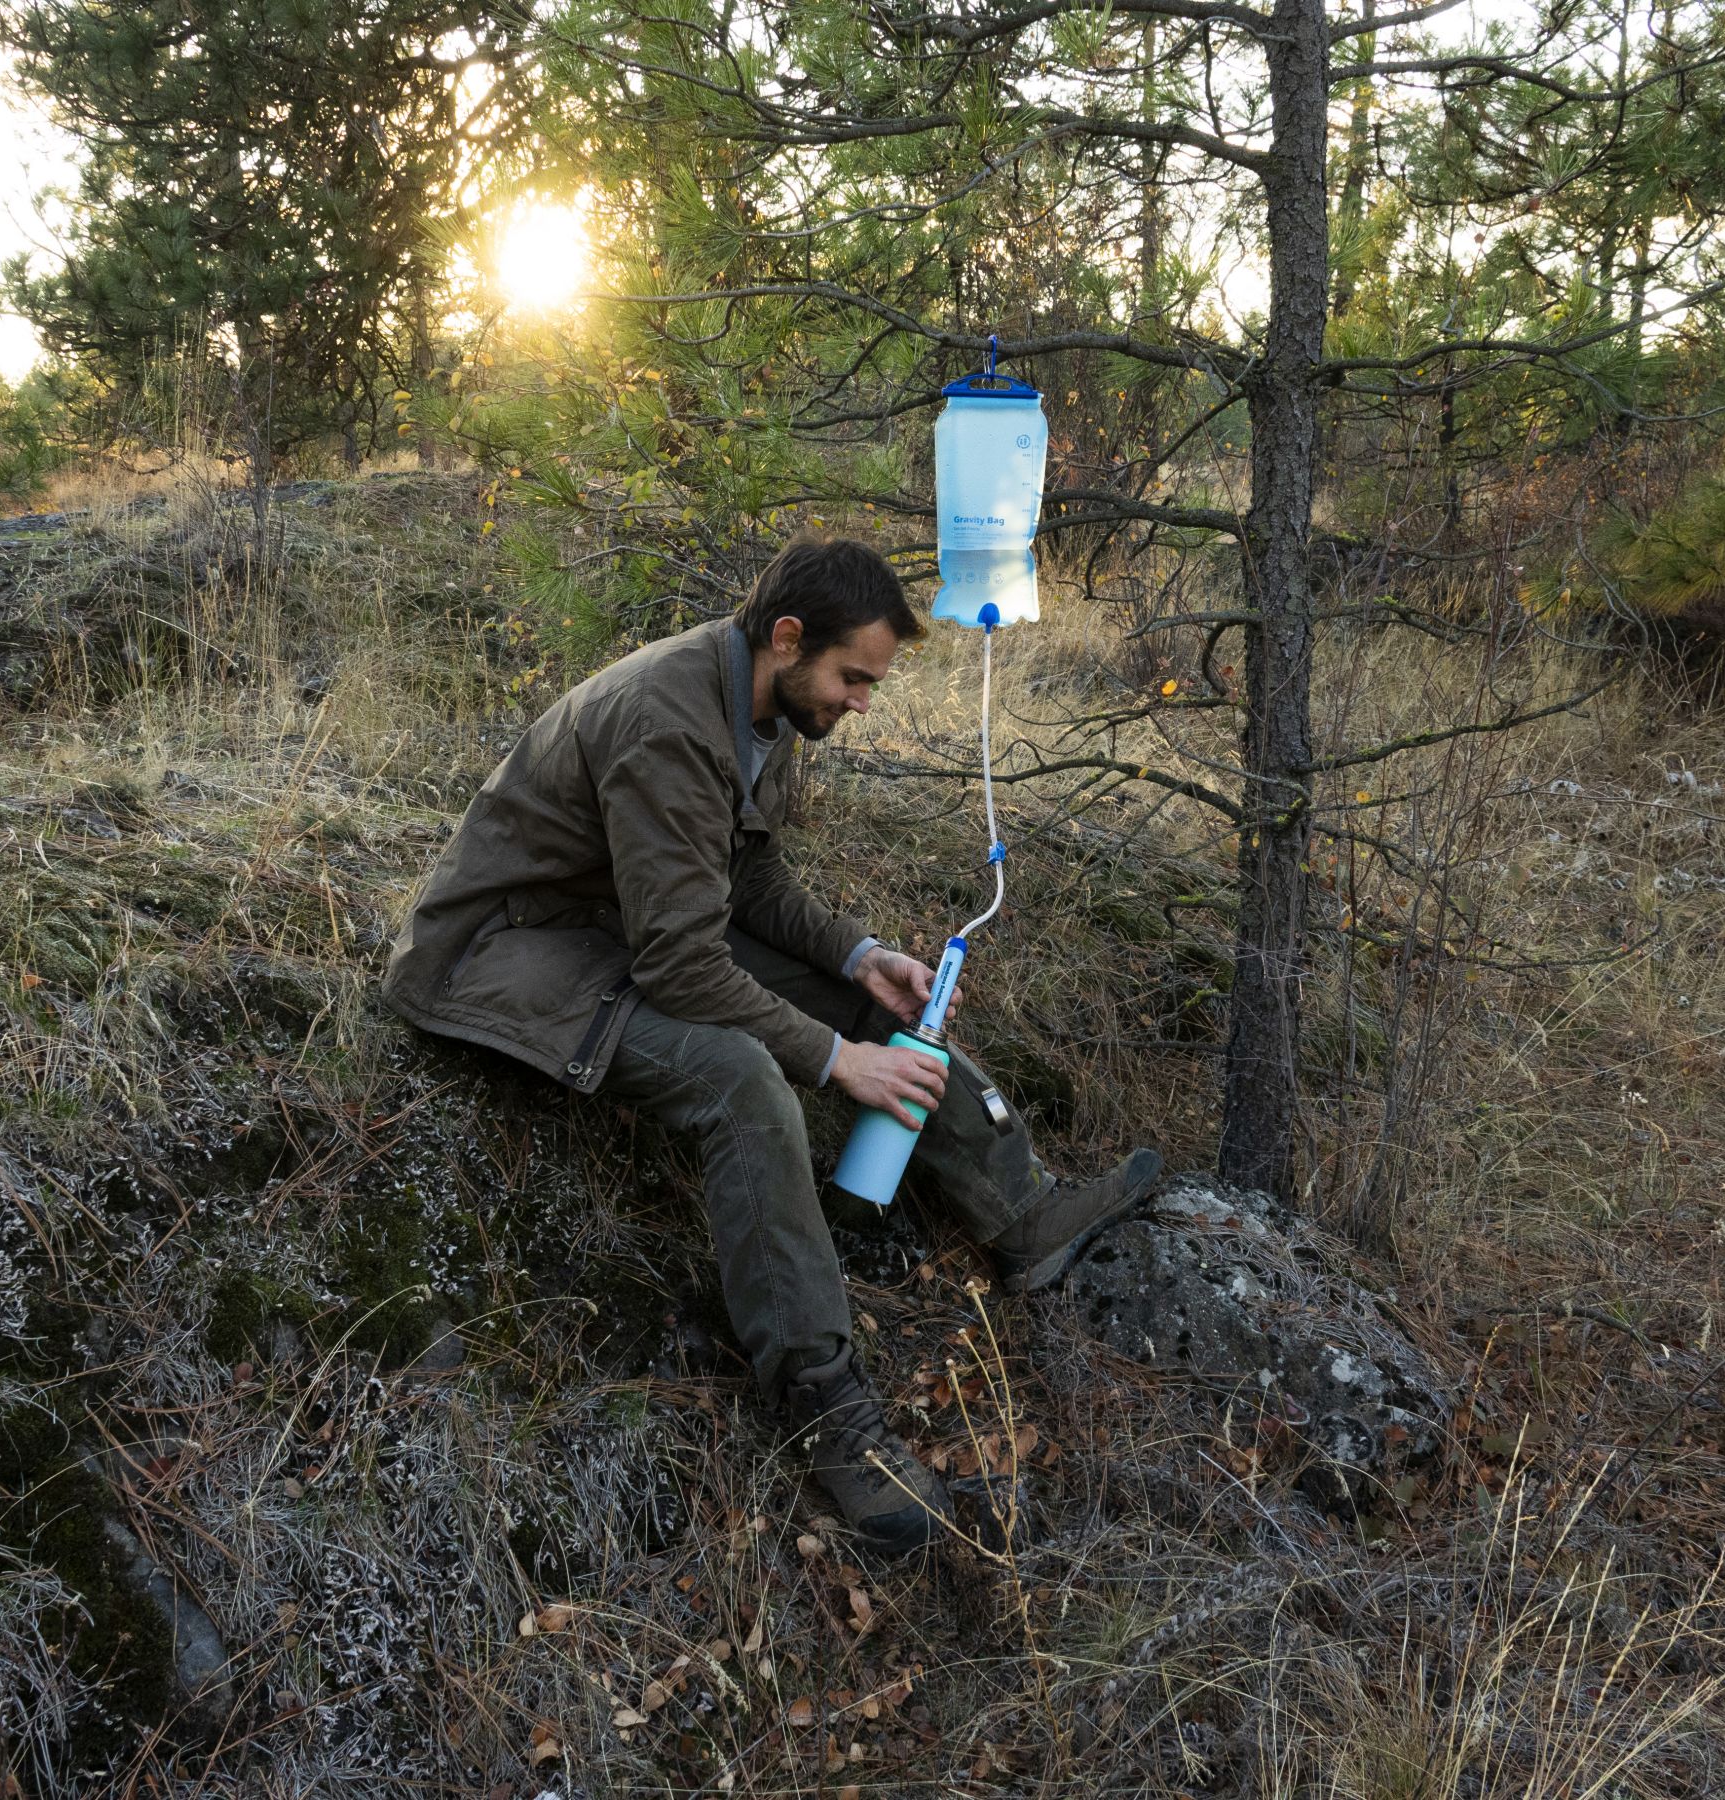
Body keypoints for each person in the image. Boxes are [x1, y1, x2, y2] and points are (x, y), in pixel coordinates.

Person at [382, 537, 1162, 1554]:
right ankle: (826, 1413)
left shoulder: (764, 702)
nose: (862, 702)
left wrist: (858, 955)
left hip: (617, 924)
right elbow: (681, 969)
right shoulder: (668, 722)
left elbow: (747, 888)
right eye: (854, 678)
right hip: (506, 954)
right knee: (746, 1078)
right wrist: (838, 1062)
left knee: (875, 1001)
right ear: (788, 638)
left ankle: (1021, 1211)